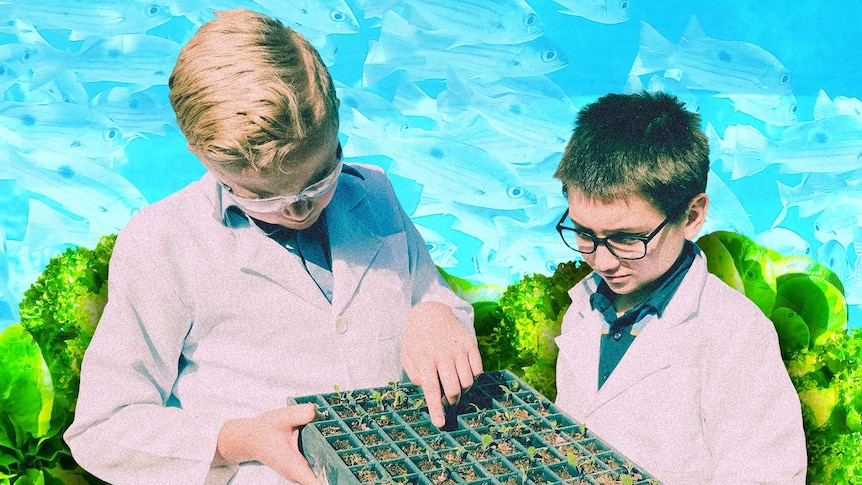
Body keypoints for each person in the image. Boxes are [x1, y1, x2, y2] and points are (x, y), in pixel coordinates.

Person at [64, 9, 482, 485]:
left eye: (319, 178)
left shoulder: (375, 193)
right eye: (264, 196)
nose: (299, 211)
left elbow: (428, 297)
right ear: (201, 156)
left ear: (337, 128)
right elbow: (103, 426)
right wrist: (237, 439)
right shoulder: (163, 241)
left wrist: (435, 311)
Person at [552, 92, 807, 484]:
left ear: (691, 216)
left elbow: (767, 474)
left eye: (626, 238)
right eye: (584, 233)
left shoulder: (737, 335)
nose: (601, 262)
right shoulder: (584, 308)